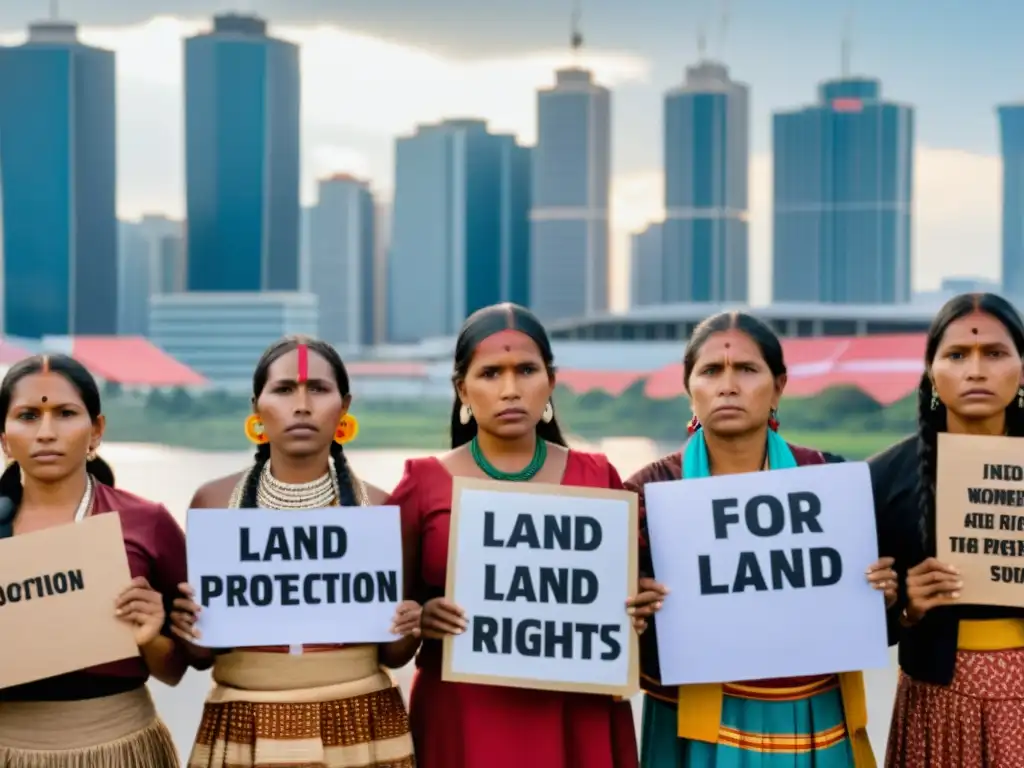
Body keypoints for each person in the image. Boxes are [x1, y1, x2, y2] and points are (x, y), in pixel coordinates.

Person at [624, 311, 896, 768]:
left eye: (747, 370)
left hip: (812, 710)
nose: (728, 385)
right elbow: (614, 632)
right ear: (688, 386)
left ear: (779, 385)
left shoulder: (829, 481)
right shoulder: (648, 494)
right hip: (693, 723)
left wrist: (882, 594)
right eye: (711, 371)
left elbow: (877, 620)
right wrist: (634, 605)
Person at [388, 302, 639, 768]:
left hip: (575, 713)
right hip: (463, 714)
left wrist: (637, 608)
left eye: (526, 370)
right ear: (462, 389)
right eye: (490, 374)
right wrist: (419, 618)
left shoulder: (599, 479)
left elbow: (633, 602)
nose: (510, 389)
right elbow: (387, 634)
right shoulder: (421, 486)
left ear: (551, 382)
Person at [169, 337, 420, 768]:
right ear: (256, 407)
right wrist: (187, 626)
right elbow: (199, 656)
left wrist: (409, 626)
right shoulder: (213, 503)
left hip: (359, 721)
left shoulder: (377, 510)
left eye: (318, 389)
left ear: (344, 406)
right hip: (243, 719)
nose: (301, 405)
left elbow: (393, 654)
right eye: (284, 390)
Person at [0, 354, 185, 767]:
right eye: (28, 416)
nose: (46, 432)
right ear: (4, 436)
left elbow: (179, 668)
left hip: (118, 747)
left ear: (96, 429)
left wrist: (150, 636)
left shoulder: (147, 522)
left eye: (65, 414)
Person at [870, 293, 1024, 767]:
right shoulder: (884, 479)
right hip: (936, 703)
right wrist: (903, 609)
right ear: (932, 372)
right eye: (956, 355)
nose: (975, 370)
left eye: (994, 354)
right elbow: (847, 624)